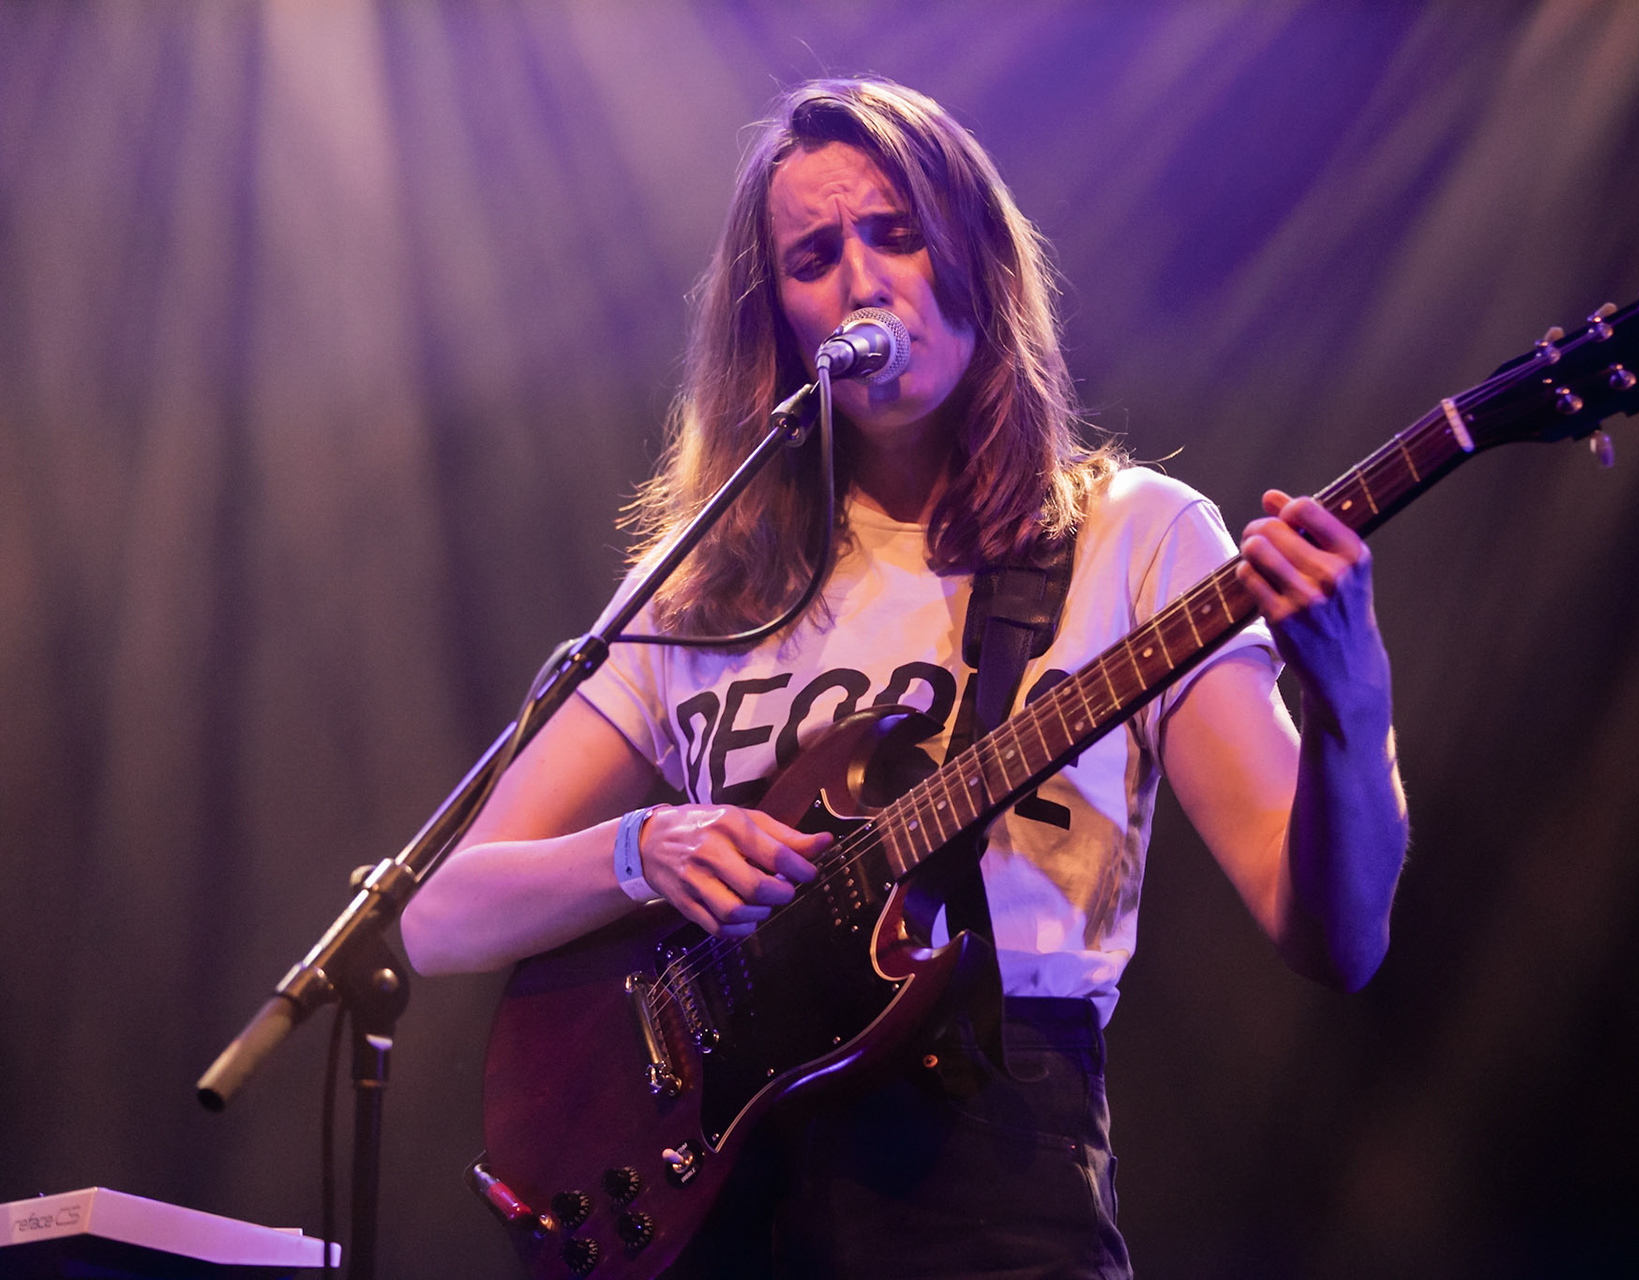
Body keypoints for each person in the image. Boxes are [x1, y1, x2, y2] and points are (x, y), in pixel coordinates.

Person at [401, 78, 1408, 1279]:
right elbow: (436, 911)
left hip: (995, 1180)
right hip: (730, 1198)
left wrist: (1353, 699)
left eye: (898, 230)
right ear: (772, 316)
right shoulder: (702, 592)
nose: (864, 279)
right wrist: (643, 848)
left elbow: (1335, 937)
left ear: (974, 258)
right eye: (814, 255)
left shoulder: (1133, 536)